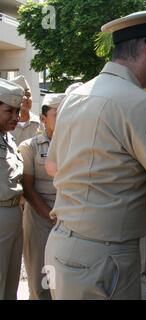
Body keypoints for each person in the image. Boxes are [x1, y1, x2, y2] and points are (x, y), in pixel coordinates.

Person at [44, 6, 146, 300]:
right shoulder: (143, 106)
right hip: (104, 256)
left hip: (63, 246)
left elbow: (53, 167)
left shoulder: (75, 97)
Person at [19, 93, 64, 300]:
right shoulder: (30, 147)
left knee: (65, 279)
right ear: (44, 119)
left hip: (69, 218)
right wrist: (50, 215)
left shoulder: (74, 145)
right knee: (41, 279)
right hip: (40, 218)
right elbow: (28, 189)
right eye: (57, 114)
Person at [0, 79, 25, 300]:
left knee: (11, 284)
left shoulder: (8, 138)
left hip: (14, 213)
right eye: (9, 110)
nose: (16, 117)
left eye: (17, 111)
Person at [10, 76, 41, 146]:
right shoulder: (4, 124)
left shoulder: (40, 123)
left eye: (28, 95)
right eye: (21, 95)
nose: (25, 98)